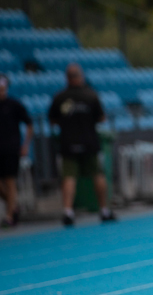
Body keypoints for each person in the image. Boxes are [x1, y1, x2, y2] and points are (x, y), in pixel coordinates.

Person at [48, 64, 115, 226]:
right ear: (80, 77)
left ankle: (68, 211)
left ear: (67, 78)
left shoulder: (60, 97)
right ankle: (104, 210)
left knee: (69, 176)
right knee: (97, 174)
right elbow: (101, 118)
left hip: (68, 142)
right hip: (89, 141)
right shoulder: (91, 96)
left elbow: (52, 120)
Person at [0, 74, 32, 228]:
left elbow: (29, 123)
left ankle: (9, 215)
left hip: (11, 149)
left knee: (10, 180)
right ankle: (13, 206)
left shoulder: (14, 105)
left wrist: (25, 144)